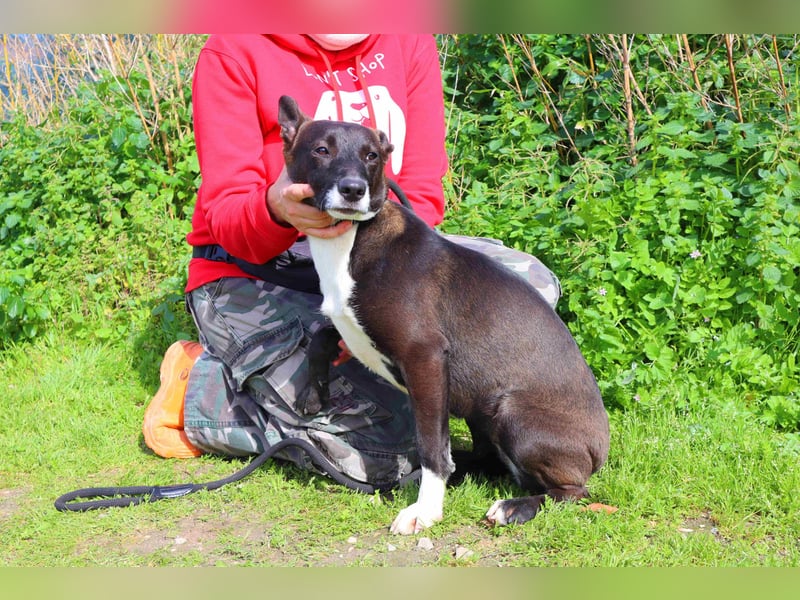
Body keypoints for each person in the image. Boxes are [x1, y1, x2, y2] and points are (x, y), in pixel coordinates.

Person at [142, 34, 561, 488]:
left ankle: (475, 429)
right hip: (257, 274)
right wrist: (277, 208)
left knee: (533, 287)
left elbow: (419, 193)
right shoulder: (235, 47)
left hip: (371, 263)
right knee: (385, 457)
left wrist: (380, 308)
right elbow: (224, 215)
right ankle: (201, 395)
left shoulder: (407, 40)